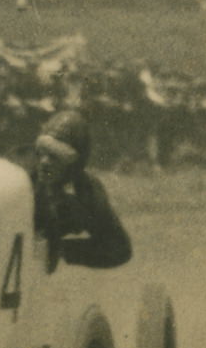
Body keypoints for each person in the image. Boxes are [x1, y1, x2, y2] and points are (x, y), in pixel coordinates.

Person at [32, 110, 132, 269]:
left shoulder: (86, 191)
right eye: (41, 153)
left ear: (72, 164)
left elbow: (118, 248)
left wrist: (61, 248)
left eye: (55, 156)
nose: (44, 162)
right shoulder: (17, 172)